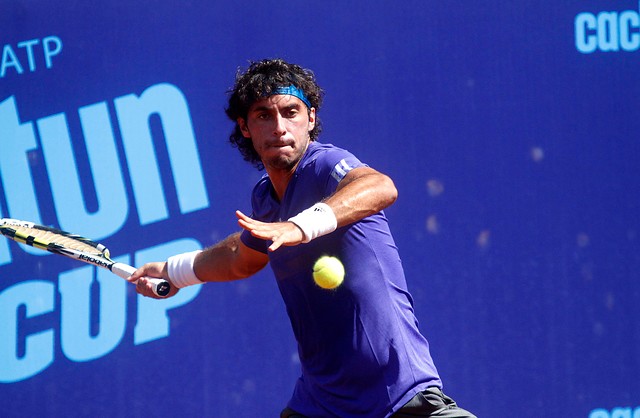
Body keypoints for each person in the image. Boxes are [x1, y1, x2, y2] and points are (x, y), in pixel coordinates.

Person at [130, 58, 476, 418]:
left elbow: (379, 186)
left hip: (400, 398)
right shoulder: (266, 199)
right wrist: (175, 271)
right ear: (244, 127)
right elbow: (240, 257)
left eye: (291, 112)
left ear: (310, 119)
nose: (279, 127)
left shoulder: (326, 165)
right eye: (263, 115)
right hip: (322, 405)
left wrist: (301, 225)